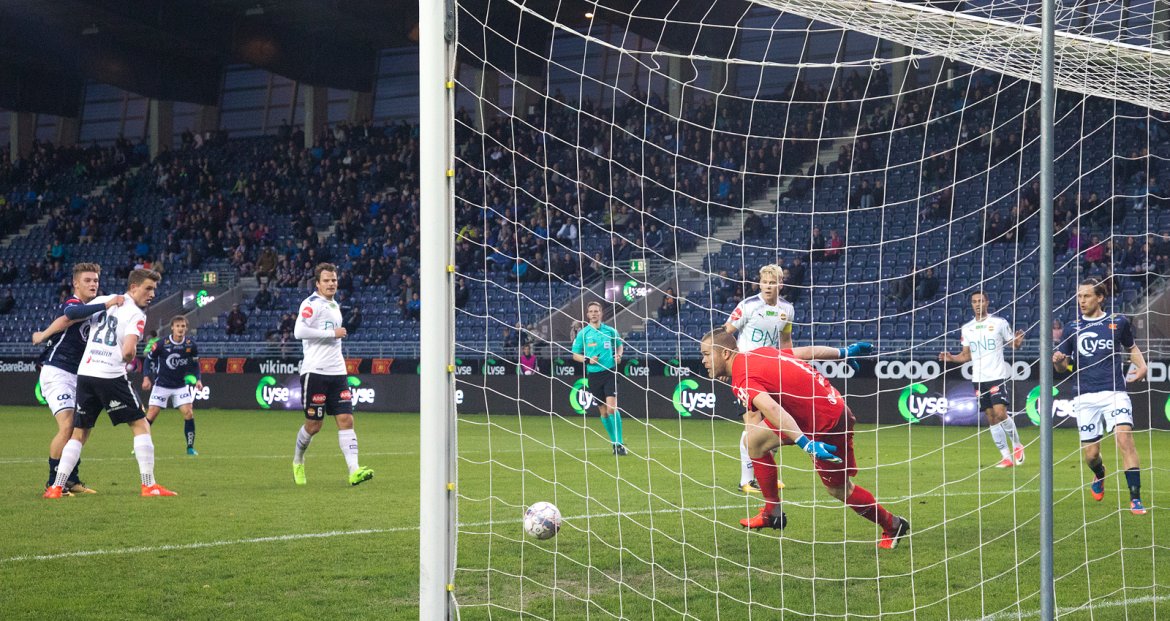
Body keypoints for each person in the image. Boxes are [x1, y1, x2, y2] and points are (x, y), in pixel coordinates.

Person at [700, 329, 909, 548]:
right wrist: (843, 352)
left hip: (826, 423)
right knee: (754, 442)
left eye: (706, 354)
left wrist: (805, 443)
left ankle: (893, 524)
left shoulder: (742, 377)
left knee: (839, 489)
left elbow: (770, 408)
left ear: (724, 353)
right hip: (813, 411)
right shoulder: (759, 353)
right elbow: (807, 352)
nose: (703, 360)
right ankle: (773, 512)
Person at [44, 268, 178, 498]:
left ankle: (56, 486)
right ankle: (149, 485)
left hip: (85, 373)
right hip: (110, 375)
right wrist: (129, 357)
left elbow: (74, 316)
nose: (152, 294)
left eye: (154, 289)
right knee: (140, 425)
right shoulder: (137, 314)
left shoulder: (104, 300)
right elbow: (127, 352)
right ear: (133, 287)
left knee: (79, 432)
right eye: (148, 288)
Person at [1052, 278, 1148, 514]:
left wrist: (1142, 366)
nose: (1081, 301)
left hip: (1114, 390)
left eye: (1086, 296)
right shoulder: (1072, 327)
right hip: (1084, 395)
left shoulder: (1118, 322)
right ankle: (1099, 473)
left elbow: (1131, 347)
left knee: (1124, 439)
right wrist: (1059, 362)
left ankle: (1135, 498)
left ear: (1100, 297)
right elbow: (1061, 369)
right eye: (1079, 296)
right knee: (1091, 454)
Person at [31, 263, 123, 495]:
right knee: (68, 426)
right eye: (88, 280)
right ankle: (53, 483)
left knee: (82, 428)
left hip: (79, 375)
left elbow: (66, 322)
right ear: (75, 283)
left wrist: (43, 334)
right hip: (57, 372)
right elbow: (70, 315)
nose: (93, 284)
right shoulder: (74, 304)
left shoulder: (92, 309)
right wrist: (107, 302)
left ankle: (70, 480)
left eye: (95, 280)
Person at [292, 263, 375, 487]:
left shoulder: (334, 304)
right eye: (327, 280)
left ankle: (354, 471)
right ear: (317, 283)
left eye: (334, 280)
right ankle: (298, 460)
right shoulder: (311, 304)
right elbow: (298, 331)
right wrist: (332, 333)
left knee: (346, 420)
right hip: (315, 372)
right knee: (314, 425)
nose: (331, 283)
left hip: (338, 372)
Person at [724, 265, 794, 494]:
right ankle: (746, 480)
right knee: (752, 422)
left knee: (774, 422)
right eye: (764, 281)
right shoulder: (748, 306)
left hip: (772, 371)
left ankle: (768, 476)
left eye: (772, 282)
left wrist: (790, 367)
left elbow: (785, 343)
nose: (767, 286)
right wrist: (726, 362)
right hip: (746, 371)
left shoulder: (788, 310)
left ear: (781, 284)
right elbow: (726, 333)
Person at [938, 291, 1026, 468]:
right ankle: (1006, 457)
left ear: (987, 303)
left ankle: (1017, 445)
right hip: (978, 378)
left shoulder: (999, 323)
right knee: (991, 416)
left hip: (997, 375)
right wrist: (952, 358)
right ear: (971, 305)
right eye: (974, 302)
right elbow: (965, 355)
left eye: (981, 301)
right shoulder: (967, 328)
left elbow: (1013, 344)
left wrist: (1017, 342)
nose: (978, 304)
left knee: (1001, 413)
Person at [142, 315, 203, 455]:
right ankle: (140, 444)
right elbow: (148, 360)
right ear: (172, 328)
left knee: (188, 413)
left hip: (180, 386)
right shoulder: (162, 343)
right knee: (151, 414)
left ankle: (190, 448)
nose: (180, 329)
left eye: (183, 326)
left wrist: (198, 379)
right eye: (177, 326)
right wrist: (146, 377)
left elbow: (195, 364)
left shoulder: (190, 345)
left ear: (186, 328)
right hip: (161, 385)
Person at [571, 301, 626, 455]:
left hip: (609, 373)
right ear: (588, 315)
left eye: (596, 311)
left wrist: (619, 355)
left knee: (611, 409)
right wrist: (588, 360)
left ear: (601, 313)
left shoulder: (610, 331)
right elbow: (575, 355)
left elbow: (619, 345)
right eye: (591, 311)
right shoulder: (583, 334)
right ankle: (614, 442)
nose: (594, 313)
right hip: (593, 376)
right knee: (603, 413)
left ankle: (619, 444)